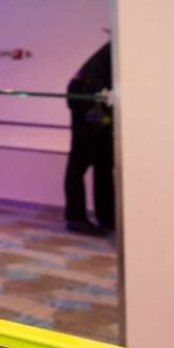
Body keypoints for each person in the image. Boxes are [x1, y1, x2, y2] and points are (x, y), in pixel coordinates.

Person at [63, 41, 115, 235]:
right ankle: (76, 218)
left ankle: (107, 218)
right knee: (83, 156)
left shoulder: (126, 41)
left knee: (103, 157)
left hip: (90, 96)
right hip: (87, 97)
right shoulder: (128, 40)